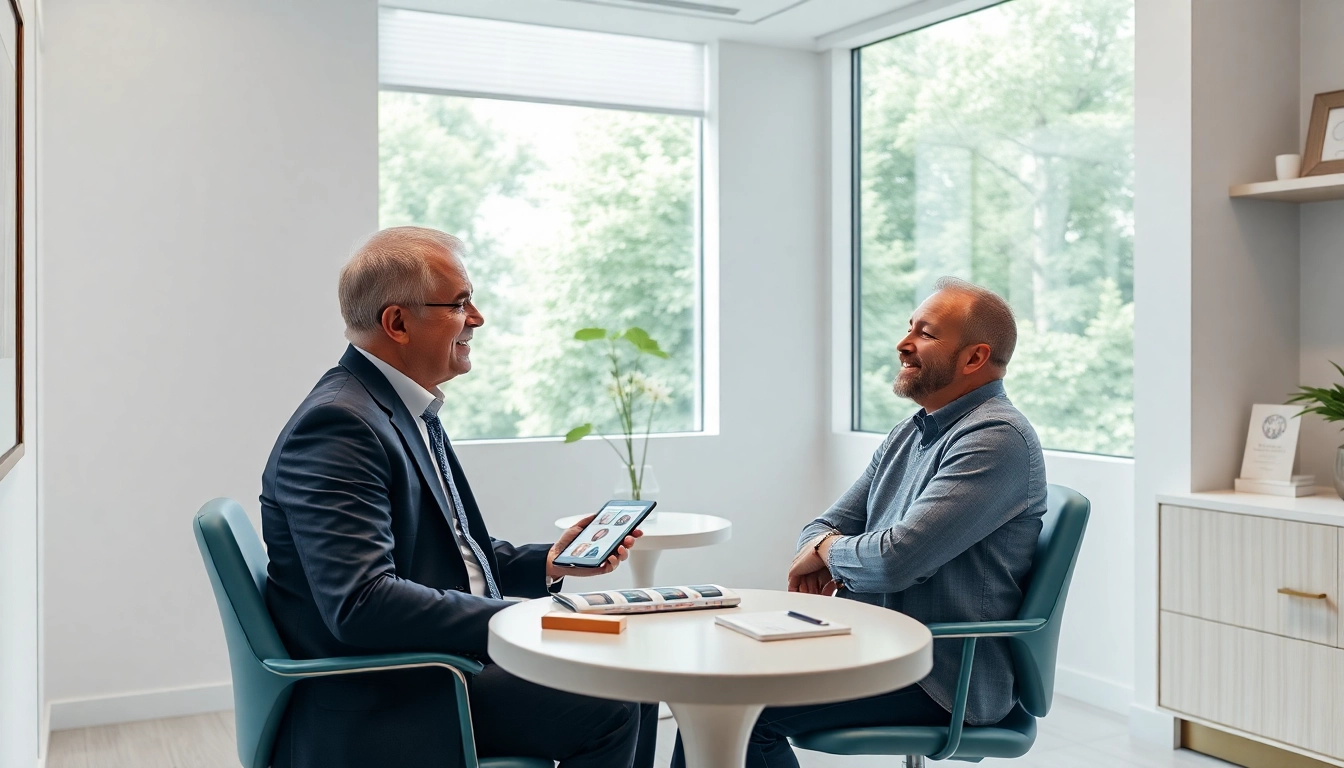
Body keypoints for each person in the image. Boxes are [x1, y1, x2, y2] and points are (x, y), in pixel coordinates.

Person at [261, 226, 658, 768]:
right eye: (461, 303)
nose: (478, 318)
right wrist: (517, 619)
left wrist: (547, 562)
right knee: (617, 698)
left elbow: (452, 551)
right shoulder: (339, 426)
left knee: (639, 674)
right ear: (397, 322)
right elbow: (361, 603)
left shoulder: (399, 408)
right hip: (396, 696)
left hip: (439, 668)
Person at [671, 277, 1046, 768]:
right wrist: (830, 543)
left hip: (941, 676)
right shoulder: (909, 433)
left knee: (735, 712)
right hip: (874, 644)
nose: (903, 343)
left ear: (975, 358)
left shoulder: (996, 439)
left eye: (926, 334)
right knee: (714, 688)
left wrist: (829, 551)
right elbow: (823, 523)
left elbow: (894, 560)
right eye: (909, 327)